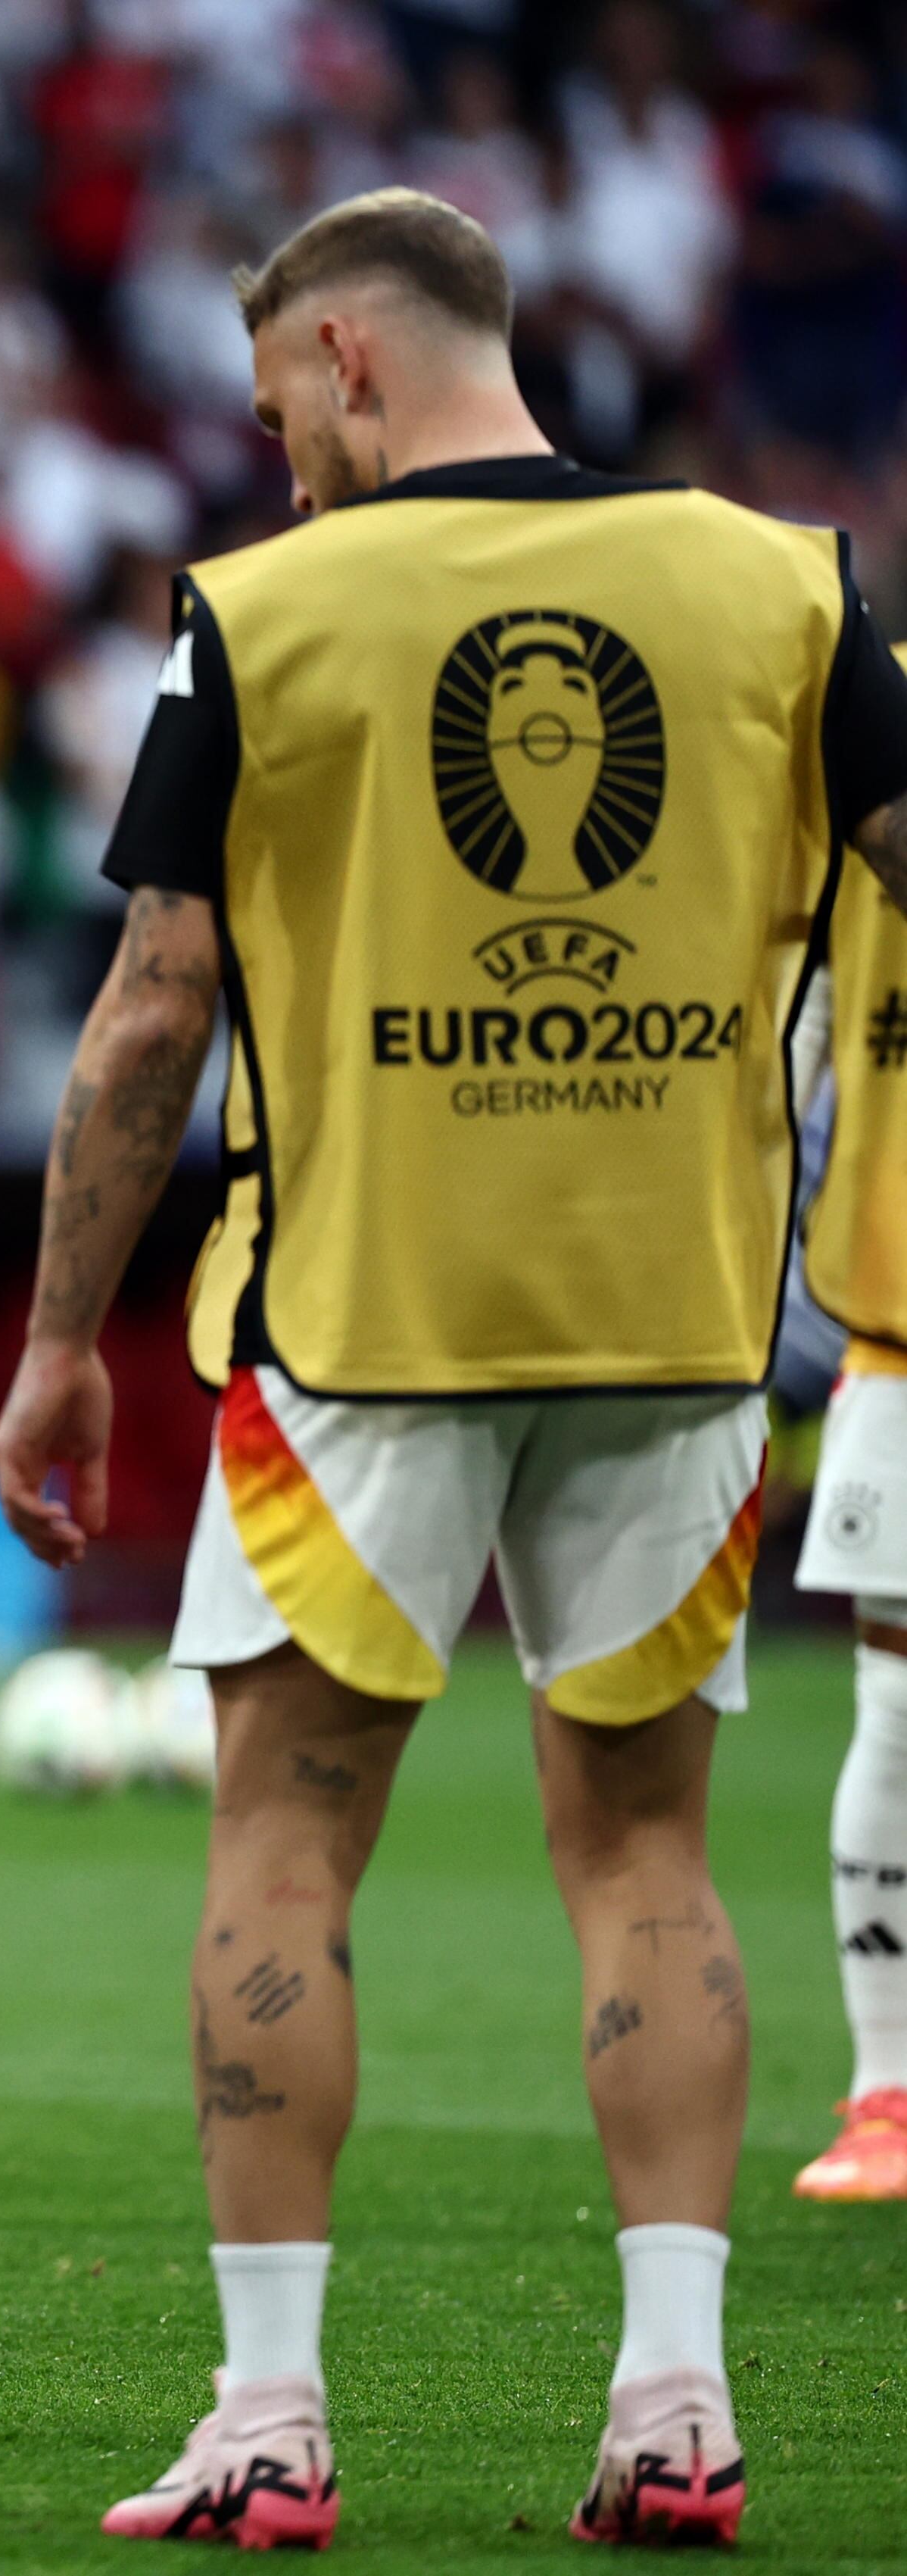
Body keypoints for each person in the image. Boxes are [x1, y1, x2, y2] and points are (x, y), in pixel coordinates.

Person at [0, 188, 907, 2551]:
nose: (275, 446)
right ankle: (679, 2401)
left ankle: (274, 2422)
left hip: (365, 1331)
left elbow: (155, 1008)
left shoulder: (263, 615)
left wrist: (61, 1341)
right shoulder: (788, 588)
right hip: (681, 1327)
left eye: (279, 398)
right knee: (649, 1861)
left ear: (349, 362)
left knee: (286, 1848)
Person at [782, 670, 907, 2208]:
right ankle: (885, 2089)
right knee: (893, 1704)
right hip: (898, 1313)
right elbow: (790, 1015)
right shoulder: (870, 723)